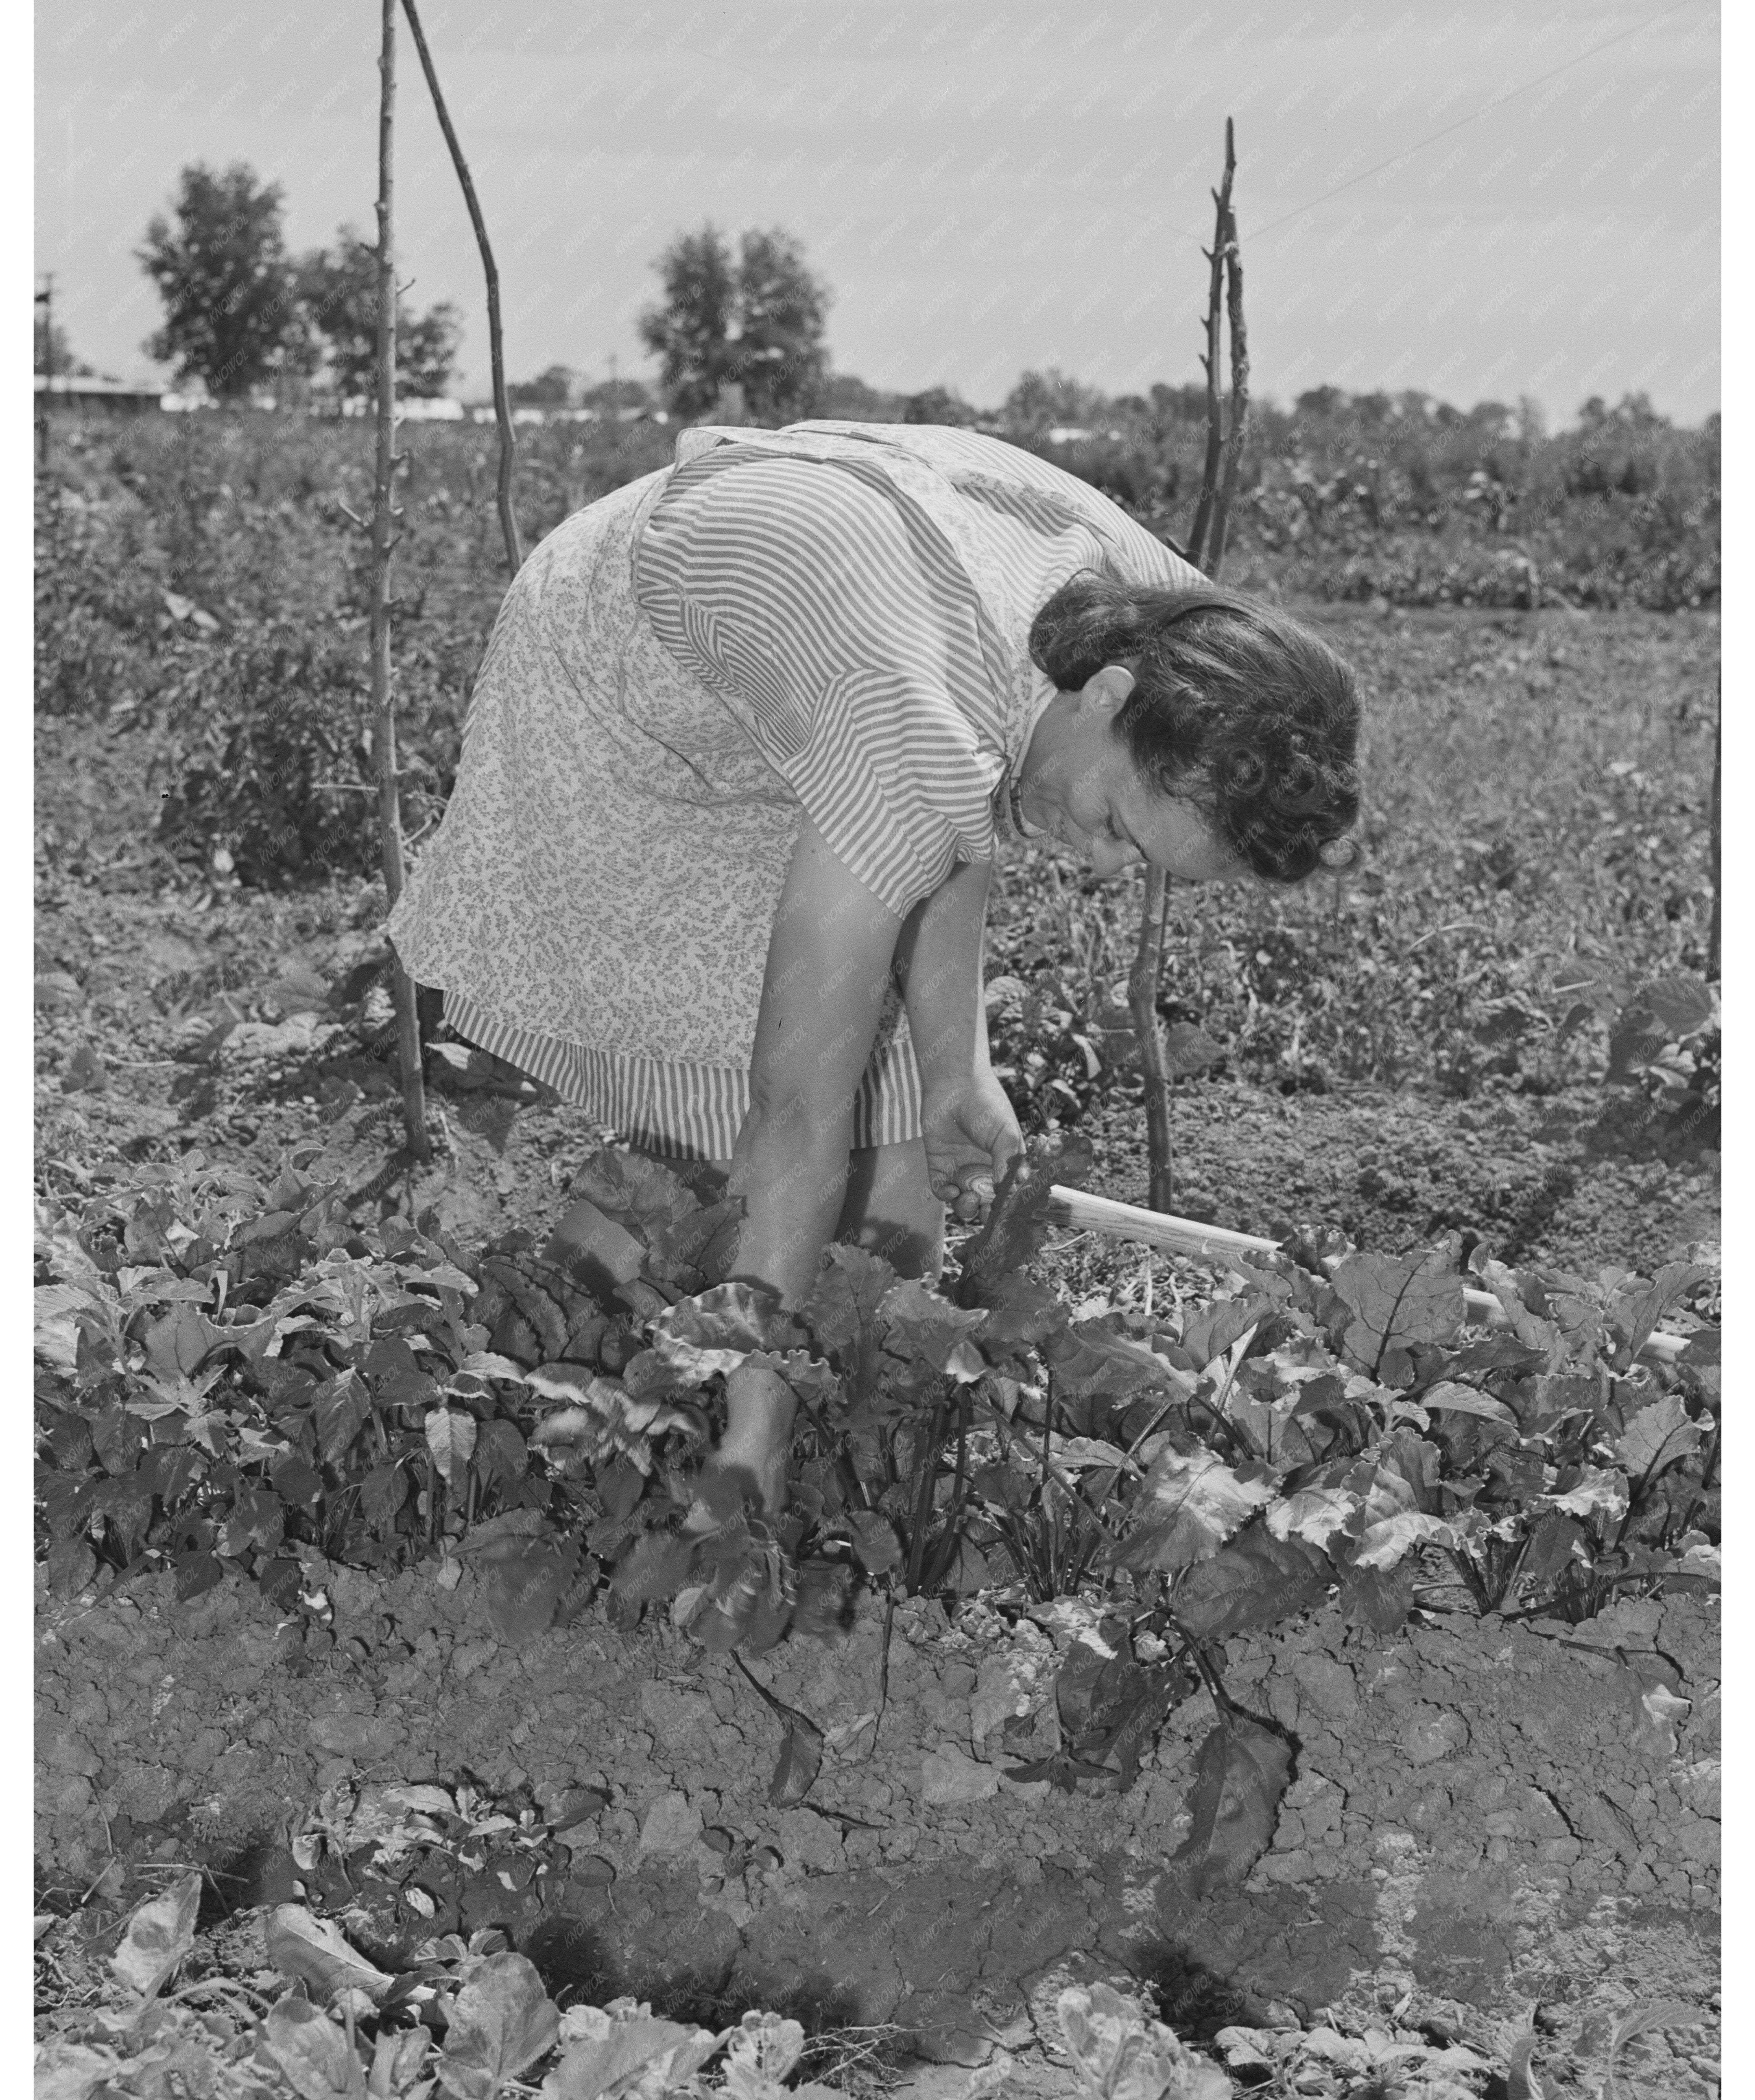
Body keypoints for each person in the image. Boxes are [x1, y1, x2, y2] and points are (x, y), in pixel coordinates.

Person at [386, 419, 1360, 1536]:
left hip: (846, 647)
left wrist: (957, 1069)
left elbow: (969, 790)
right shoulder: (909, 725)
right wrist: (754, 1437)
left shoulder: (1184, 634)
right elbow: (795, 1106)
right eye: (1111, 826)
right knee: (715, 1137)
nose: (1096, 865)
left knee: (895, 1198)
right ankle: (543, 1407)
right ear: (1105, 695)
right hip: (625, 675)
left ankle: (798, 1433)